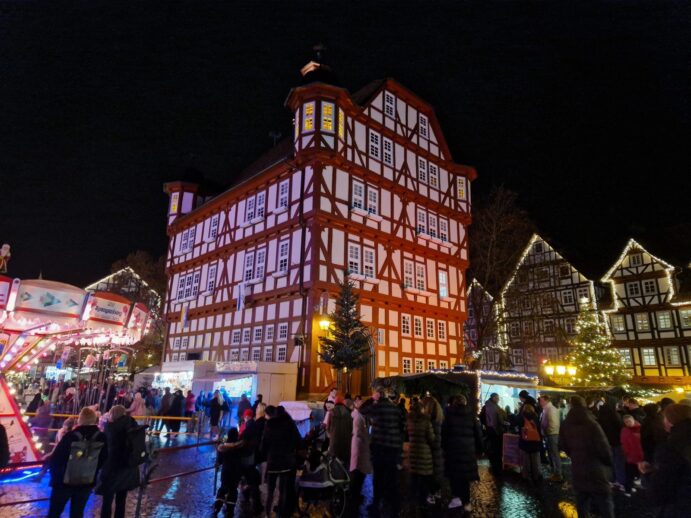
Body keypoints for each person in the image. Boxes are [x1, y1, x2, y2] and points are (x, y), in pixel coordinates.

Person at [559, 396, 614, 518]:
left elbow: (564, 446)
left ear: (570, 406)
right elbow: (603, 447)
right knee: (605, 503)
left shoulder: (565, 424)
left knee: (582, 502)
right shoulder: (592, 423)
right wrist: (608, 463)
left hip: (578, 468)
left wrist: (575, 455)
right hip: (596, 469)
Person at [48, 407, 108, 518]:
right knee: (77, 512)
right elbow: (104, 458)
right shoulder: (102, 437)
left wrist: (55, 478)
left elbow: (56, 458)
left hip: (64, 482)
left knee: (54, 512)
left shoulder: (70, 436)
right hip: (86, 481)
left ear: (80, 419)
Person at [359, 388, 405, 517]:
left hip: (379, 446)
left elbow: (361, 410)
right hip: (393, 447)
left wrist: (372, 399)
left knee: (378, 477)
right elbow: (402, 426)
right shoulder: (395, 408)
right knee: (391, 476)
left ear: (379, 397)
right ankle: (395, 506)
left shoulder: (376, 407)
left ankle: (377, 503)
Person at [640, 403, 691, 517]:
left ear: (670, 421)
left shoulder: (670, 447)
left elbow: (661, 486)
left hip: (678, 505)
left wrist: (649, 475)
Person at [97, 405, 140, 518]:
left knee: (107, 501)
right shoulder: (132, 425)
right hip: (128, 468)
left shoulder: (110, 428)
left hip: (112, 470)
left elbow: (107, 449)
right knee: (121, 501)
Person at [261, 405, 302, 518]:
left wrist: (264, 455)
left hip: (273, 462)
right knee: (284, 491)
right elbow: (298, 441)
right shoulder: (289, 424)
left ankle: (267, 514)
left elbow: (264, 445)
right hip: (287, 463)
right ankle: (282, 514)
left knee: (270, 491)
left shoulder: (269, 424)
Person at [442, 394, 481, 512]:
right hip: (468, 451)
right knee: (465, 478)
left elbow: (444, 434)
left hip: (453, 451)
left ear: (454, 403)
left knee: (454, 476)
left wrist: (443, 447)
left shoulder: (449, 415)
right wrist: (480, 449)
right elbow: (478, 434)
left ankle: (456, 497)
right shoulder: (471, 416)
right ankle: (467, 502)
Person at [406, 400, 435, 507]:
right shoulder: (426, 421)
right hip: (424, 453)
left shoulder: (409, 420)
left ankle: (412, 499)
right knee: (424, 478)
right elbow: (431, 438)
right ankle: (422, 501)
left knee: (414, 476)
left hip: (413, 451)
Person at [213, 427, 242, 517]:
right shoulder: (240, 446)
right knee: (233, 490)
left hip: (226, 471)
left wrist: (217, 464)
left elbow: (220, 460)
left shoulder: (223, 447)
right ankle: (230, 510)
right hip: (236, 471)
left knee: (223, 488)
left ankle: (217, 507)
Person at [349, 395, 372, 508]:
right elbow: (358, 432)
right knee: (357, 474)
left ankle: (355, 494)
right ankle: (354, 496)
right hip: (358, 447)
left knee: (358, 473)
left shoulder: (360, 416)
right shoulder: (358, 417)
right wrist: (367, 438)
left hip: (359, 447)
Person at [597, 399, 625, 490]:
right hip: (616, 441)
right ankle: (620, 481)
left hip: (607, 441)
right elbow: (620, 427)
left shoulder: (601, 414)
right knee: (619, 462)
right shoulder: (614, 414)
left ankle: (612, 479)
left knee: (612, 461)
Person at [421, 395, 444, 503]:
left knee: (429, 474)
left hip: (429, 452)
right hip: (439, 451)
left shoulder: (428, 421)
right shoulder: (440, 420)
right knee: (437, 472)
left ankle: (431, 495)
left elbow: (429, 439)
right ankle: (437, 491)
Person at [481, 392, 506, 475]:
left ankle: (494, 463)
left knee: (494, 447)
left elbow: (482, 417)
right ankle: (496, 465)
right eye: (497, 398)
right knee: (496, 447)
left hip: (491, 429)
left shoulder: (487, 406)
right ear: (493, 398)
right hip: (494, 430)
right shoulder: (493, 407)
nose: (498, 399)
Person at [539, 395, 562, 481]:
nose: (540, 402)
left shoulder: (550, 409)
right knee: (553, 453)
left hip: (551, 434)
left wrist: (547, 432)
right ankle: (556, 472)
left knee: (554, 454)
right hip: (550, 434)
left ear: (546, 400)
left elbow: (553, 423)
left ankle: (558, 474)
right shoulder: (548, 409)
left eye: (541, 401)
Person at [620, 414, 643, 496]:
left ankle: (630, 487)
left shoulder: (640, 429)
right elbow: (624, 444)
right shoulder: (626, 430)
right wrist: (626, 453)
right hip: (631, 456)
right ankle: (628, 490)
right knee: (629, 474)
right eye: (626, 422)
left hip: (639, 455)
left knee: (634, 473)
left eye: (629, 421)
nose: (628, 423)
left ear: (633, 420)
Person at [518, 403, 542, 484]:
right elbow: (539, 428)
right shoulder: (535, 416)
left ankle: (526, 475)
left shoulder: (521, 417)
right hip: (535, 441)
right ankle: (536, 475)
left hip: (525, 441)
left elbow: (519, 427)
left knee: (526, 459)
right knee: (535, 459)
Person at [327, 395, 353, 467]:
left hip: (334, 440)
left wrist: (330, 435)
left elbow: (328, 427)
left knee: (334, 461)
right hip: (346, 441)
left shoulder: (331, 412)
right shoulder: (348, 413)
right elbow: (352, 428)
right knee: (345, 462)